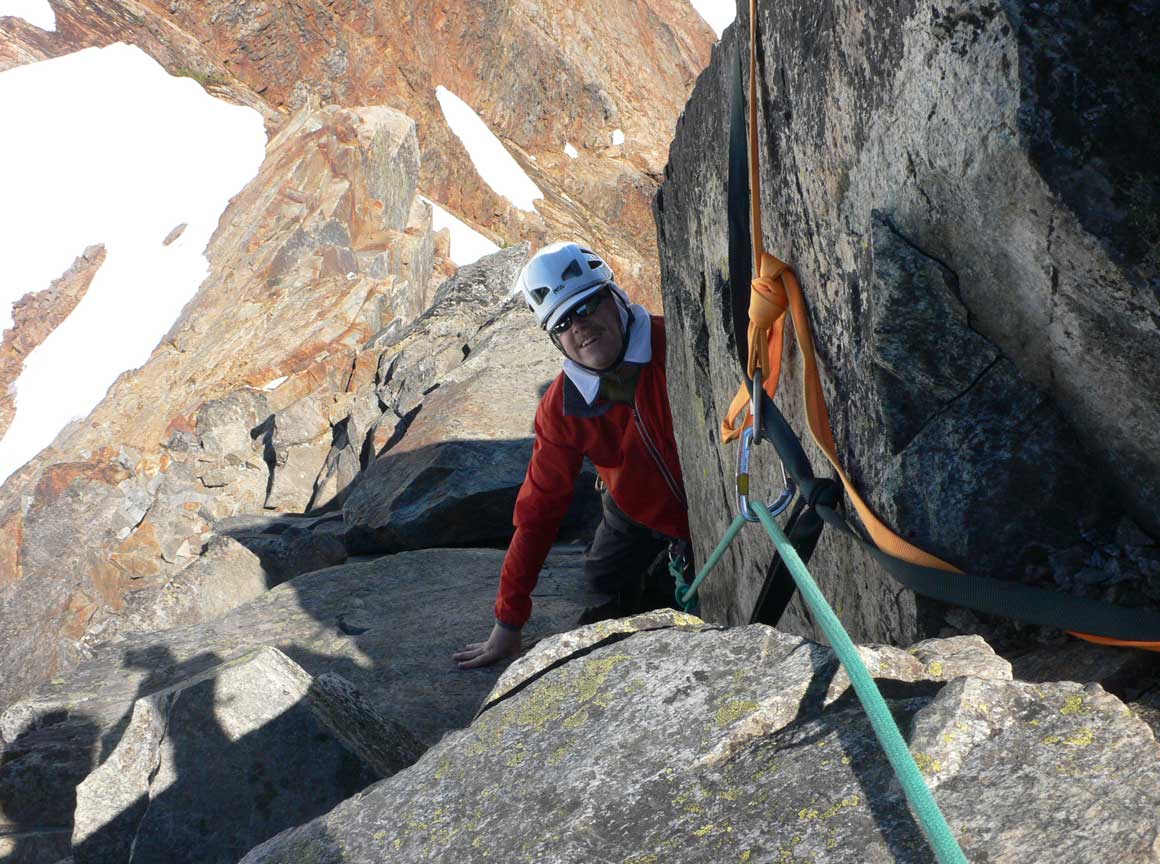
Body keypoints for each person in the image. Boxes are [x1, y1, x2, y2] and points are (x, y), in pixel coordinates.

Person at [453, 241, 691, 669]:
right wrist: (509, 621)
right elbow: (539, 509)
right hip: (631, 507)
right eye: (562, 322)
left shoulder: (675, 343)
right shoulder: (563, 407)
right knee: (602, 578)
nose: (579, 326)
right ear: (555, 339)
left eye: (587, 306)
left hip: (710, 508)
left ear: (615, 298)